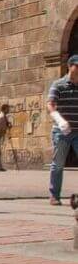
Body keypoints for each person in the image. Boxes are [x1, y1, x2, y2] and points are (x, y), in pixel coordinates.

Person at [47, 55, 78, 206]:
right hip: (61, 131)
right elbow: (50, 105)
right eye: (77, 66)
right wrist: (59, 120)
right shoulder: (58, 85)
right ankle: (54, 195)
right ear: (69, 66)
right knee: (58, 164)